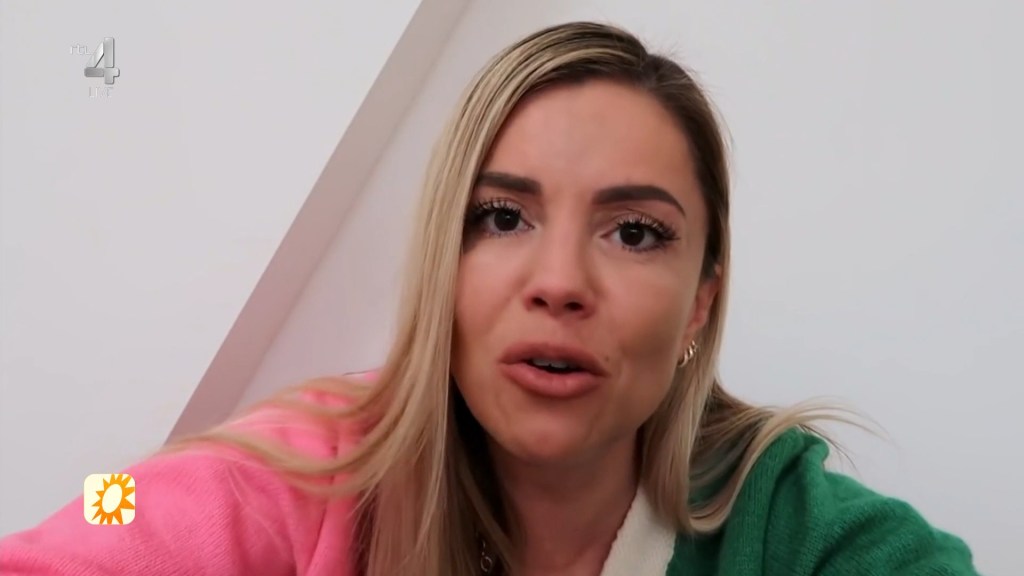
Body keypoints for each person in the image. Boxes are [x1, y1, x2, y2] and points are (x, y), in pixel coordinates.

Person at [0, 21, 979, 576]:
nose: (559, 283)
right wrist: (104, 492)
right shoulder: (297, 470)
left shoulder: (805, 534)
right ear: (443, 260)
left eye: (635, 233)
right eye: (502, 217)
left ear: (698, 305)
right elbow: (105, 512)